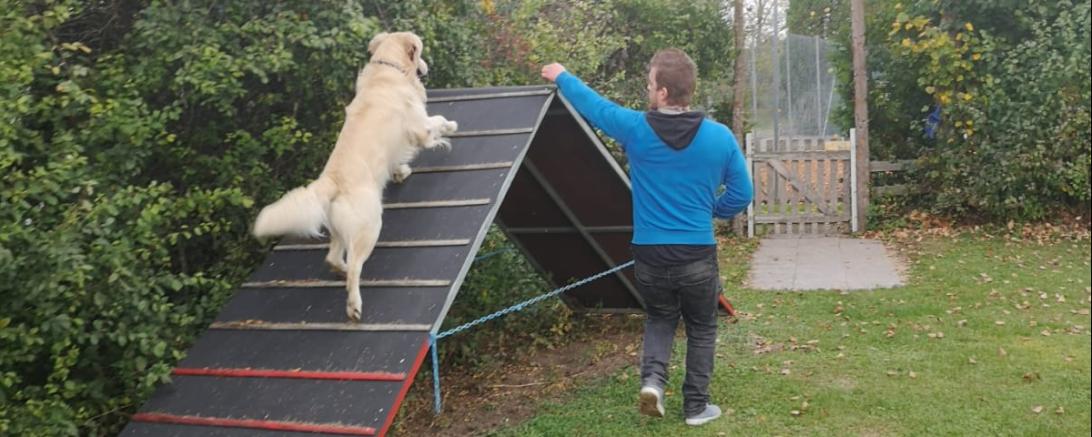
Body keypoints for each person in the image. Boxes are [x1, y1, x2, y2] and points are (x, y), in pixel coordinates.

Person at [541, 49, 752, 426]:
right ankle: (696, 407)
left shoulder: (636, 128)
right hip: (697, 253)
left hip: (650, 253)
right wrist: (712, 210)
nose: (648, 90)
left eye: (651, 85)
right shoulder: (719, 137)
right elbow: (742, 193)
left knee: (659, 319)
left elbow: (595, 106)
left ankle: (653, 383)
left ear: (665, 93)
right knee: (702, 327)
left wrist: (561, 75)